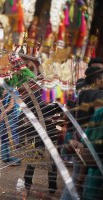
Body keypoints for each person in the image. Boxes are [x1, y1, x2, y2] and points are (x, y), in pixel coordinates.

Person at [61, 58, 103, 199]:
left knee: (76, 176)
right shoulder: (97, 94)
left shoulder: (80, 88)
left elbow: (69, 109)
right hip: (87, 140)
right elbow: (98, 121)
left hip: (77, 135)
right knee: (78, 177)